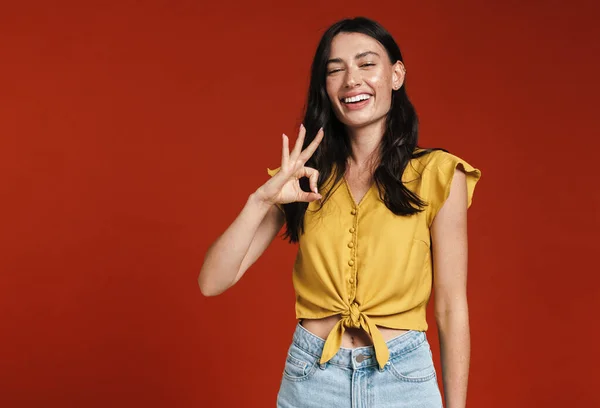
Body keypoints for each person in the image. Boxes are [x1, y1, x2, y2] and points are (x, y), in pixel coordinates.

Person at [199, 16, 482, 408]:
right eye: (336, 70)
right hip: (312, 377)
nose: (352, 80)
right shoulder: (303, 177)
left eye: (367, 64)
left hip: (403, 379)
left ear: (396, 75)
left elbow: (451, 307)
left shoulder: (437, 174)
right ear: (325, 87)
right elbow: (212, 281)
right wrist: (260, 201)